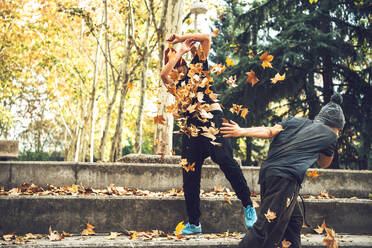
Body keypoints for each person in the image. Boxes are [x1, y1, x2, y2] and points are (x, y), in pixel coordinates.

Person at [160, 33, 257, 235]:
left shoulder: (198, 67)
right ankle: (194, 223)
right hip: (191, 129)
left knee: (225, 160)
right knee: (190, 174)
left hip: (211, 120)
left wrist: (180, 39)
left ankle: (248, 205)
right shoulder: (173, 84)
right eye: (172, 59)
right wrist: (177, 51)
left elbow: (205, 37)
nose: (175, 63)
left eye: (177, 59)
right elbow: (163, 75)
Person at [221, 93, 345, 248]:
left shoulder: (294, 121)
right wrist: (333, 138)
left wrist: (241, 131)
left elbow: (269, 132)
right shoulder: (330, 135)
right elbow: (325, 163)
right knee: (263, 230)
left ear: (319, 118)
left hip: (269, 173)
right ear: (336, 127)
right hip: (284, 180)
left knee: (294, 221)